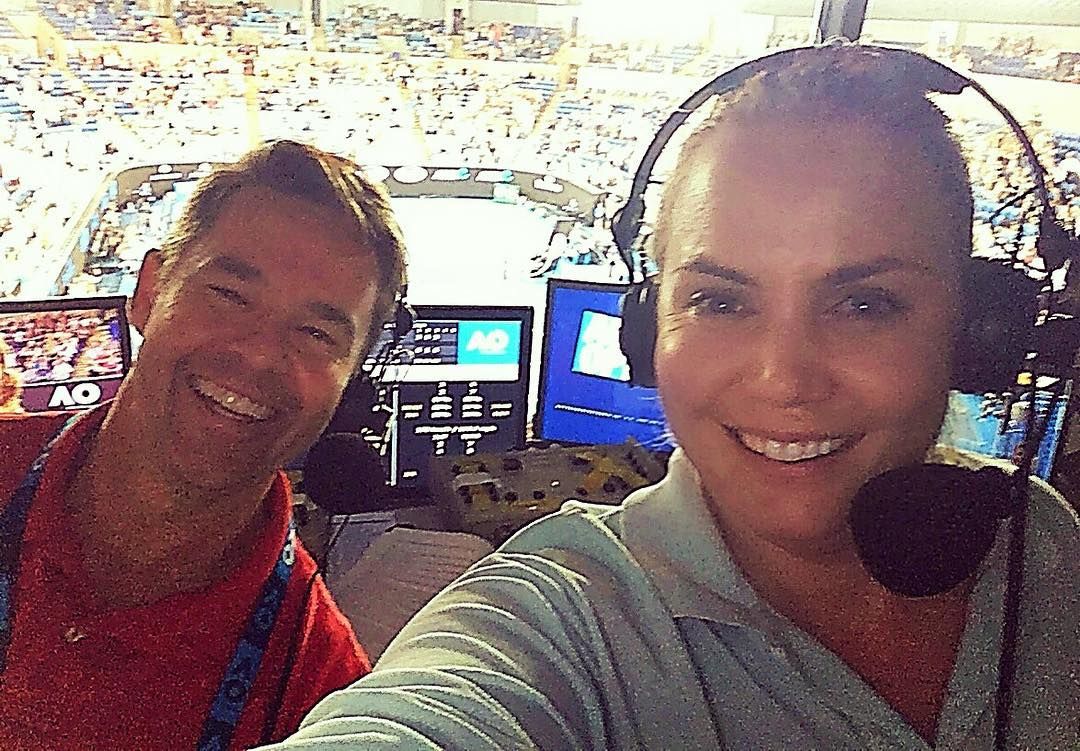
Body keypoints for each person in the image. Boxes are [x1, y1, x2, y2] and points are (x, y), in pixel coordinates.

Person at [262, 47, 1078, 750]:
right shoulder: (559, 615)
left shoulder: (1040, 536)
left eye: (864, 304)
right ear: (649, 327)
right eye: (721, 301)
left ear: (980, 332)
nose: (784, 377)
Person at [0, 139, 408, 750]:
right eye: (228, 295)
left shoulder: (323, 700)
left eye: (315, 333)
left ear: (349, 382)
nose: (259, 354)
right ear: (149, 292)